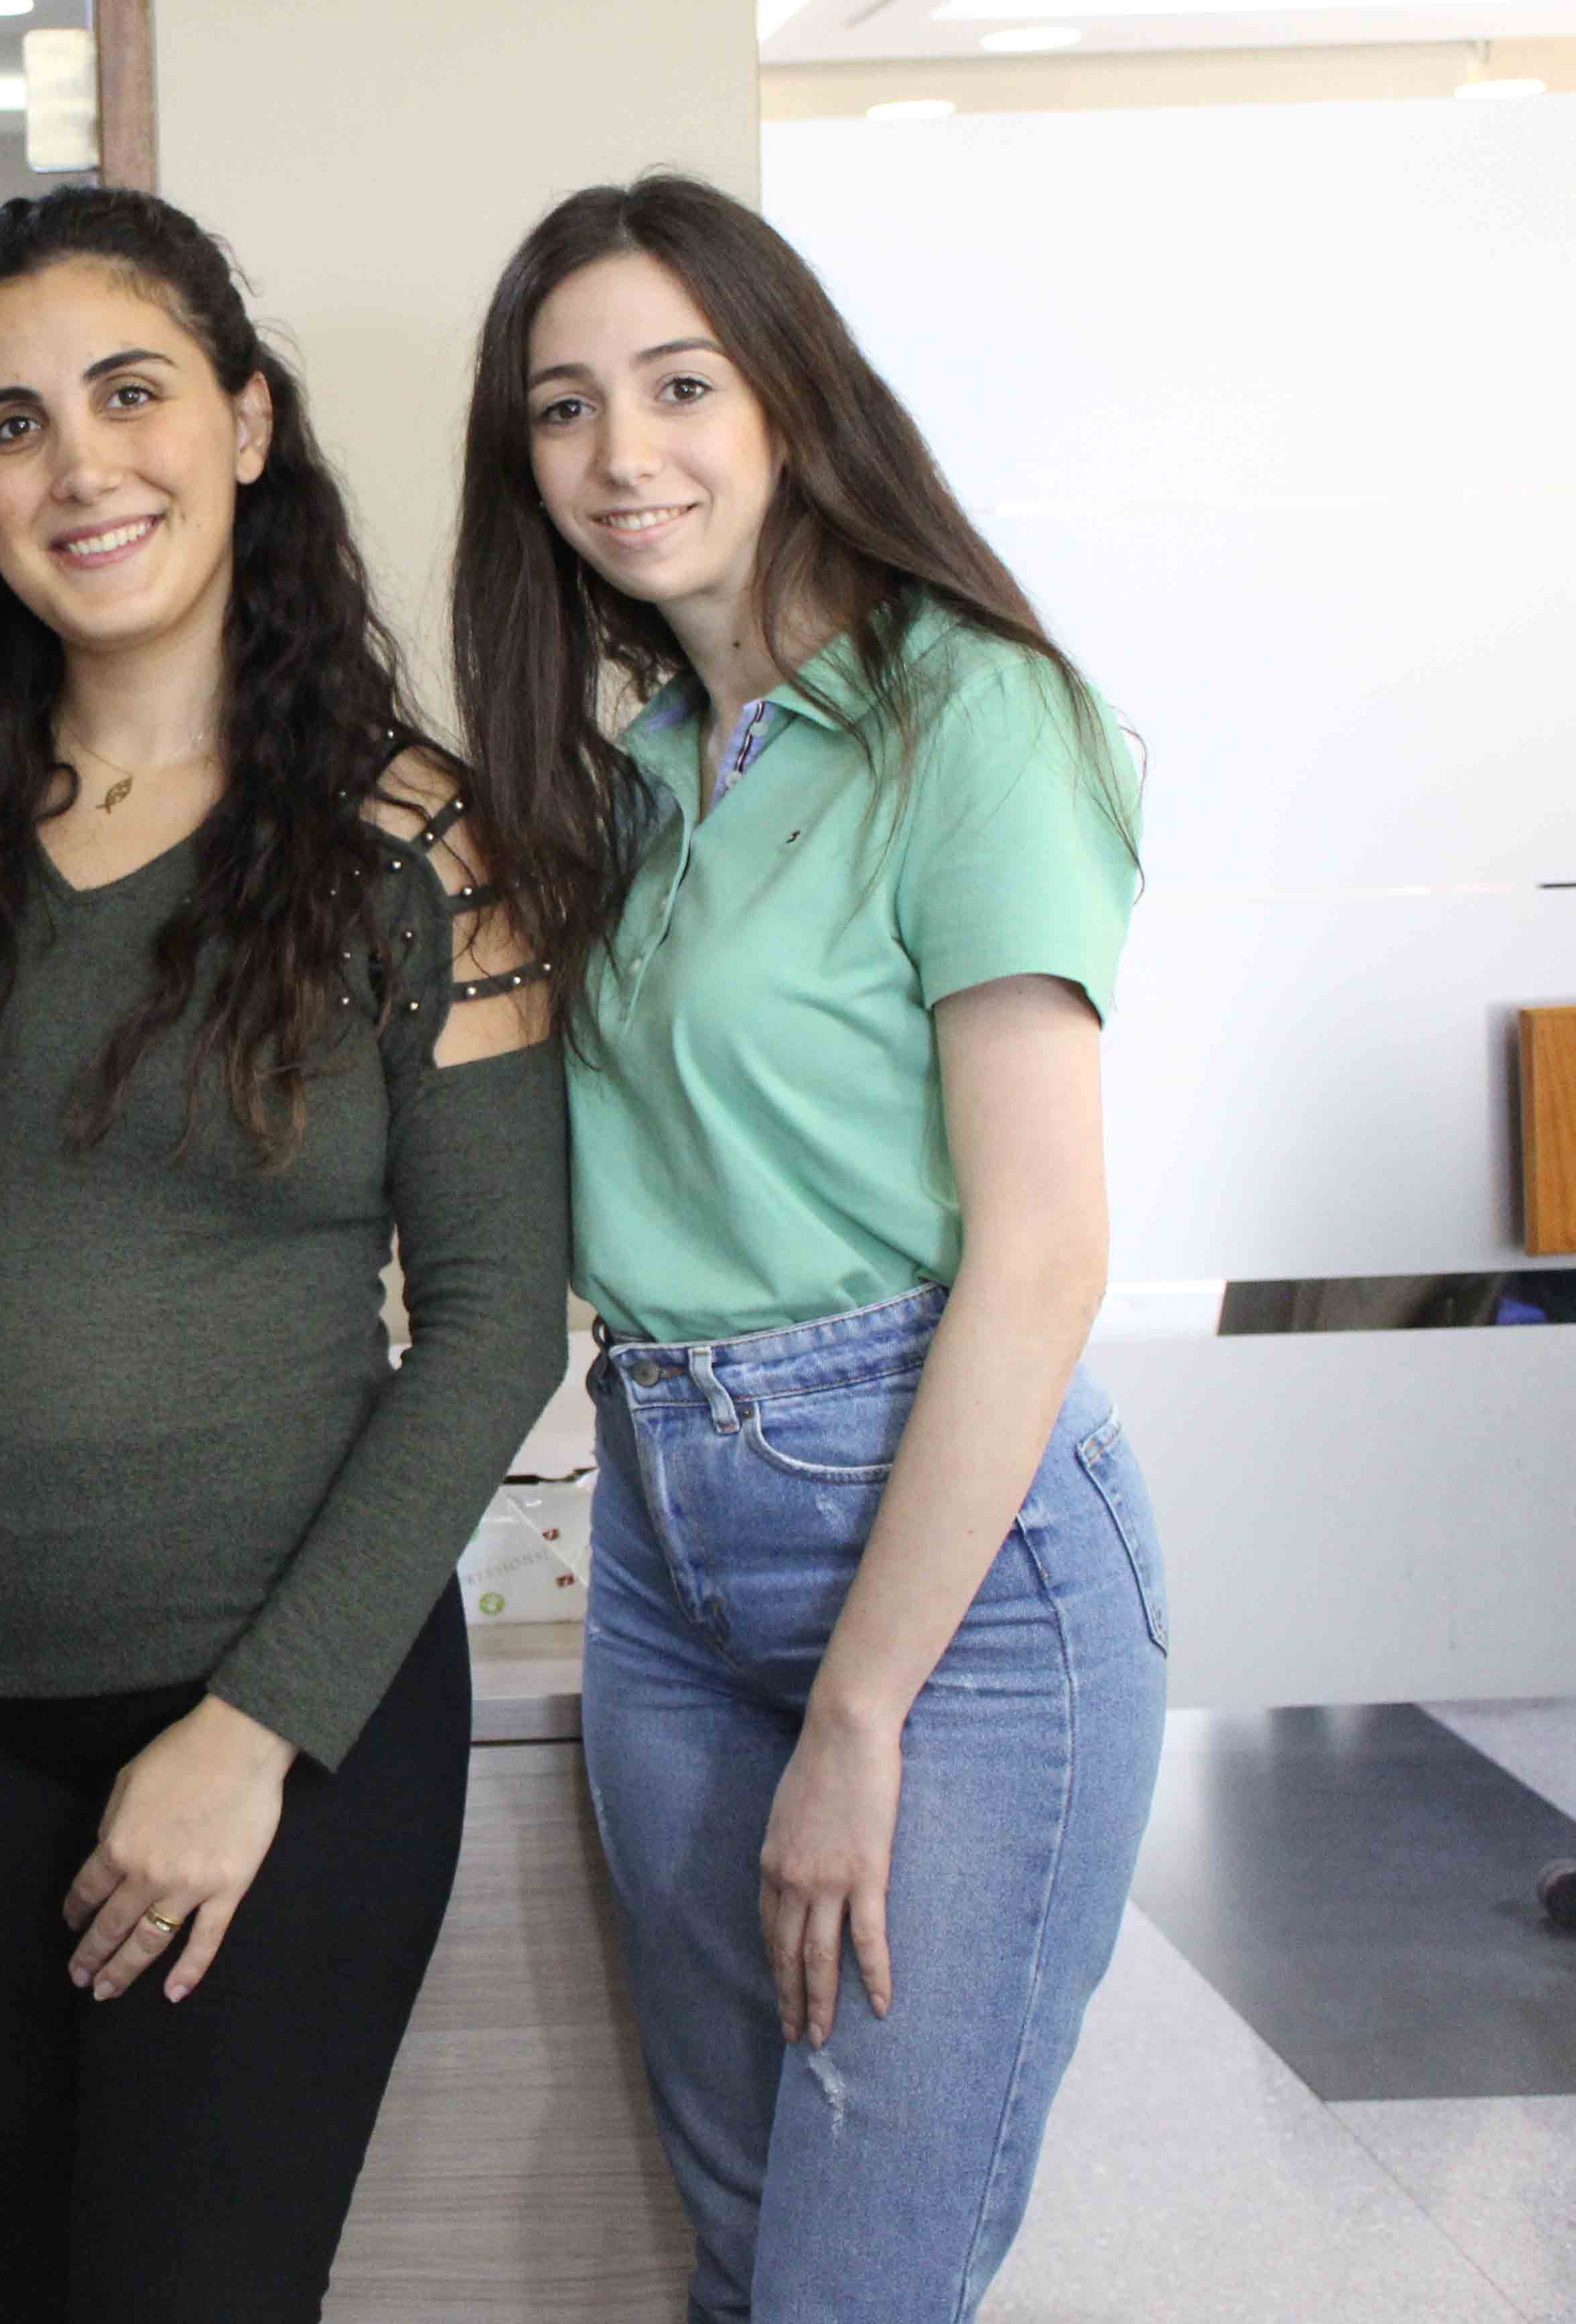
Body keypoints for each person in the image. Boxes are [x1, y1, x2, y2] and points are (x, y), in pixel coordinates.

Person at [0, 187, 570, 2323]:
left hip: (269, 1725)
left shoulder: (412, 841)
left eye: (131, 394)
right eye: (10, 425)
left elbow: (496, 1321)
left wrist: (253, 1730)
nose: (78, 466)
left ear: (247, 423)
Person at [447, 173, 1163, 2324]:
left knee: (861, 2283)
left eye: (680, 386)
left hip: (959, 1575)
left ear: (792, 399)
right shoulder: (645, 782)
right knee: (750, 2249)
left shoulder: (972, 715)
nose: (621, 453)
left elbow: (1043, 1253)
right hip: (668, 1547)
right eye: (564, 408)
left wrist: (862, 1716)